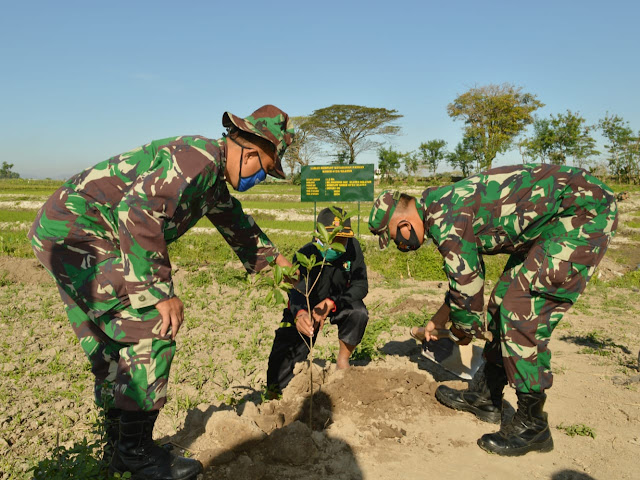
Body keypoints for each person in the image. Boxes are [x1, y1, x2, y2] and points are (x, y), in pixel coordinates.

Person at [28, 105, 295, 480]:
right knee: (150, 325)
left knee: (111, 349)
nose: (261, 179)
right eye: (264, 170)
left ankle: (120, 455)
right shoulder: (197, 160)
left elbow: (243, 233)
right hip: (80, 231)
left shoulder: (211, 179)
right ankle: (136, 457)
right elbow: (138, 213)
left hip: (65, 233)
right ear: (250, 153)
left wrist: (292, 281)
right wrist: (158, 290)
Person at [368, 164, 617, 457]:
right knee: (500, 305)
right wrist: (440, 321)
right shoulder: (438, 206)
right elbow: (466, 278)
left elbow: (467, 282)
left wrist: (463, 330)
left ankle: (533, 424)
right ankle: (487, 396)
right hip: (550, 223)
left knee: (521, 311)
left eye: (396, 239)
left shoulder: (446, 217)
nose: (401, 245)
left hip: (582, 213)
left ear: (405, 224)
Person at [267, 207, 369, 395]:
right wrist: (300, 314)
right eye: (332, 238)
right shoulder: (304, 255)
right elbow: (296, 290)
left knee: (359, 312)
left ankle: (343, 361)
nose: (337, 243)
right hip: (307, 304)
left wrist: (331, 302)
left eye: (342, 238)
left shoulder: (353, 249)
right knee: (280, 367)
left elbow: (361, 285)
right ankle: (277, 390)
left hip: (338, 301)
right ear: (317, 236)